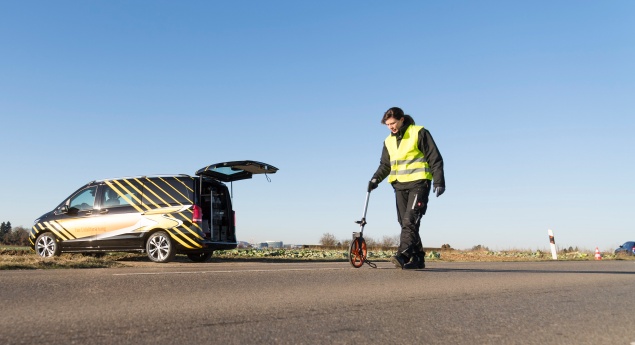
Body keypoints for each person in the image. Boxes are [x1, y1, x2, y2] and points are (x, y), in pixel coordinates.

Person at [368, 107, 445, 269]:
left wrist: (439, 181)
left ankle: (403, 254)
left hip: (419, 183)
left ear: (402, 119)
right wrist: (375, 179)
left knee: (410, 220)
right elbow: (385, 165)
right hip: (399, 185)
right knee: (404, 222)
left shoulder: (419, 132)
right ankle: (418, 258)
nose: (391, 127)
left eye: (393, 123)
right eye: (388, 125)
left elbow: (434, 157)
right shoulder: (388, 141)